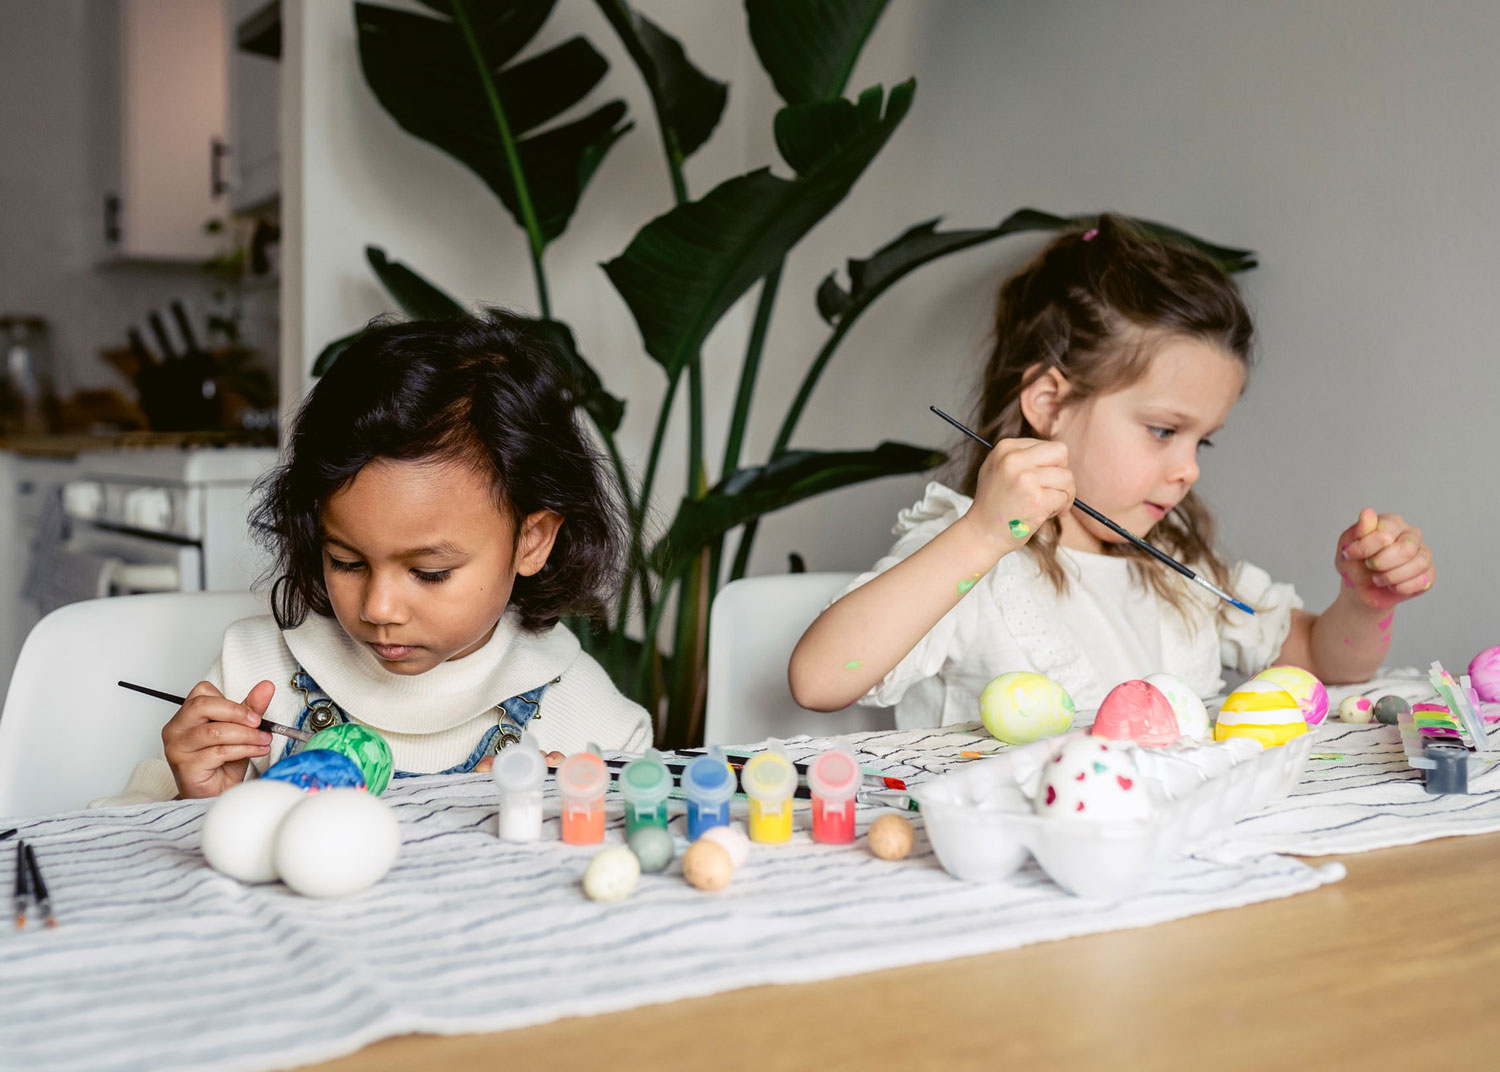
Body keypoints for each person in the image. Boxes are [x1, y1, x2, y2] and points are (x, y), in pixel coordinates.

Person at [789, 215, 1435, 728]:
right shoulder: (972, 551)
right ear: (1049, 403)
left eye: (1201, 443)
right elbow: (819, 680)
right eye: (1163, 431)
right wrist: (983, 535)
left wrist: (1366, 603)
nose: (1186, 471)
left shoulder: (1180, 566)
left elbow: (1325, 661)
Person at [102, 310, 651, 804]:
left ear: (531, 541)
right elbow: (109, 851)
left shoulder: (591, 720)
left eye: (429, 572)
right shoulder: (251, 673)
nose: (379, 607)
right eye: (346, 561)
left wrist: (556, 818)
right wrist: (197, 804)